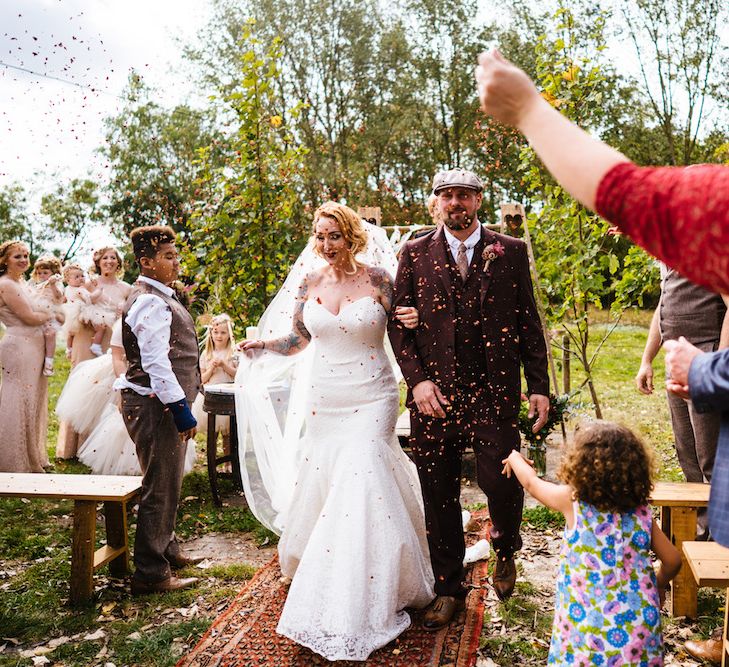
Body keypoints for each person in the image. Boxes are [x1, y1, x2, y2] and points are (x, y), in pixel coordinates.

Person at [238, 202, 432, 661]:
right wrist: (264, 346)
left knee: (364, 471)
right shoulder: (310, 282)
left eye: (334, 236)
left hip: (373, 395)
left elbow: (408, 328)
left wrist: (415, 320)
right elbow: (299, 340)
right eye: (320, 236)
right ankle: (330, 567)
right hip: (326, 398)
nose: (326, 245)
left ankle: (371, 584)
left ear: (352, 236)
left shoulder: (380, 279)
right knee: (332, 477)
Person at [388, 167, 550, 629]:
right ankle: (447, 586)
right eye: (447, 196)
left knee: (501, 482)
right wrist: (418, 382)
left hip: (494, 390)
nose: (455, 203)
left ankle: (504, 549)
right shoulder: (415, 252)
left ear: (479, 201)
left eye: (464, 195)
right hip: (434, 396)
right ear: (436, 202)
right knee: (437, 489)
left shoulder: (511, 252)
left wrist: (537, 386)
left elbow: (528, 324)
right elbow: (399, 326)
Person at [503, 421, 682, 665]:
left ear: (580, 466)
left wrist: (515, 458)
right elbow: (673, 560)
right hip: (639, 629)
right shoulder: (641, 512)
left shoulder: (572, 502)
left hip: (585, 630)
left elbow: (533, 484)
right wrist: (658, 585)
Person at [116, 225, 201, 595]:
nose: (176, 261)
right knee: (160, 483)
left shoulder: (158, 293)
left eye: (175, 254)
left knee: (169, 478)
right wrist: (181, 409)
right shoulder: (150, 299)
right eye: (167, 256)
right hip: (156, 406)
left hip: (157, 403)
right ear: (146, 262)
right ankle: (150, 573)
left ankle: (166, 548)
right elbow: (156, 362)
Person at [636, 267, 727, 539]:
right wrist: (646, 360)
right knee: (687, 453)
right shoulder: (670, 256)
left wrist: (716, 366)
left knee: (710, 456)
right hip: (677, 363)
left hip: (704, 355)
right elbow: (662, 308)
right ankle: (700, 530)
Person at [56, 245, 131, 459]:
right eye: (105, 258)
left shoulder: (126, 288)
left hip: (112, 339)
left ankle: (98, 449)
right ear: (98, 262)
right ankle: (73, 447)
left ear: (118, 263)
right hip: (87, 336)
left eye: (113, 258)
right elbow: (74, 310)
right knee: (82, 387)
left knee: (106, 387)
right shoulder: (88, 283)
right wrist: (87, 317)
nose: (109, 261)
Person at [0, 240, 51, 472]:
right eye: (17, 256)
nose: (23, 260)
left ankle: (33, 456)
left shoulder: (24, 283)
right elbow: (29, 317)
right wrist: (52, 314)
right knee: (18, 398)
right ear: (4, 260)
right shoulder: (6, 285)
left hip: (35, 346)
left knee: (35, 398)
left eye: (25, 255)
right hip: (19, 345)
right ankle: (13, 460)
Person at [191, 313, 238, 464]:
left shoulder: (233, 353)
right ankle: (211, 461)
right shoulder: (206, 354)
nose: (219, 336)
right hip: (211, 399)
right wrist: (211, 368)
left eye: (223, 332)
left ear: (229, 334)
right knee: (213, 433)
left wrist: (224, 365)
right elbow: (201, 380)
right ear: (210, 333)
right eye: (216, 332)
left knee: (228, 435)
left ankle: (228, 463)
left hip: (228, 399)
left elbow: (238, 375)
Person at [29, 255, 65, 376]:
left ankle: (49, 362)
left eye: (45, 272)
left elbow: (59, 296)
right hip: (37, 312)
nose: (42, 275)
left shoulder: (57, 284)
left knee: (50, 333)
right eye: (39, 273)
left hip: (50, 312)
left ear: (53, 273)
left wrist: (53, 284)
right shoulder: (36, 284)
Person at [62, 262, 90, 360]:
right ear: (68, 280)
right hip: (72, 312)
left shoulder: (81, 288)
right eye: (77, 277)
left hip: (80, 312)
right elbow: (64, 299)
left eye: (82, 276)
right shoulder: (70, 289)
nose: (80, 278)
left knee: (74, 332)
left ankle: (71, 348)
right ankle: (69, 348)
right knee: (70, 332)